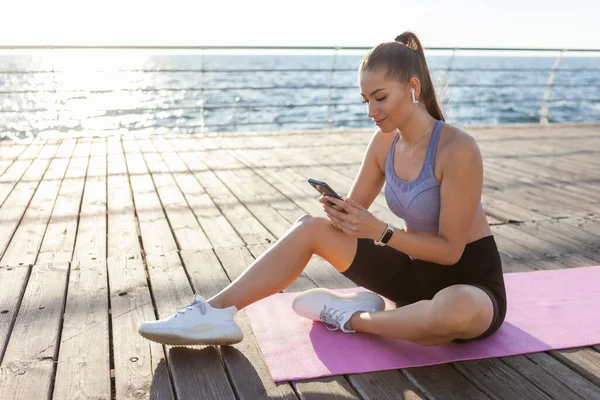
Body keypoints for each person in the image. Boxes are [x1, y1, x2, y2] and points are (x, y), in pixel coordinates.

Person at [138, 31, 507, 347]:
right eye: (366, 101)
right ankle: (214, 313)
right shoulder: (384, 144)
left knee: (455, 313)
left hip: (469, 285)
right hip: (413, 279)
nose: (371, 111)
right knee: (309, 227)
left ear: (412, 88)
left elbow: (449, 252)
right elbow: (354, 214)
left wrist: (380, 231)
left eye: (380, 98)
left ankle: (351, 317)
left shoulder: (457, 149)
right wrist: (341, 214)